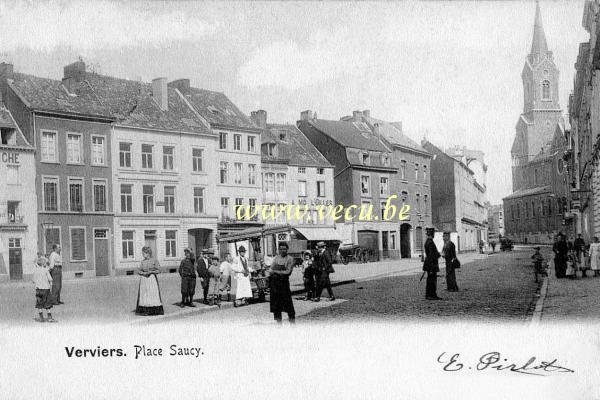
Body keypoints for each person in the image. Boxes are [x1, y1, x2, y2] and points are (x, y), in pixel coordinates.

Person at [269, 242, 296, 323]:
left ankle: (292, 324)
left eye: (284, 249)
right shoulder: (276, 258)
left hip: (284, 284)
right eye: (281, 249)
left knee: (288, 304)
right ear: (278, 250)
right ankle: (279, 324)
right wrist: (273, 272)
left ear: (287, 249)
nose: (282, 250)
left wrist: (275, 271)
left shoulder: (290, 259)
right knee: (276, 305)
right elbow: (271, 270)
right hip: (275, 285)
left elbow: (288, 272)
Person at [135, 246, 164, 316]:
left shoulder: (154, 260)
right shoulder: (143, 262)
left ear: (148, 253)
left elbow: (159, 270)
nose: (142, 255)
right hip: (144, 280)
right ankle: (145, 310)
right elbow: (139, 270)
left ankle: (154, 310)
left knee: (152, 293)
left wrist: (151, 272)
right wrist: (143, 273)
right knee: (144, 294)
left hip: (151, 279)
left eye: (143, 253)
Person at [32, 256, 57, 323]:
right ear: (43, 264)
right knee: (47, 303)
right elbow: (50, 279)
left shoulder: (35, 271)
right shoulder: (45, 270)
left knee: (39, 304)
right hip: (46, 289)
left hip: (38, 289)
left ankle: (41, 318)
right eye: (45, 263)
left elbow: (33, 280)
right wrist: (50, 284)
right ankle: (49, 317)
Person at [423, 227, 442, 300]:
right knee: (432, 280)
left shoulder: (427, 241)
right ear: (432, 234)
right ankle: (432, 295)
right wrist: (438, 255)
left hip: (429, 263)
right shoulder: (430, 242)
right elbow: (432, 255)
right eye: (433, 233)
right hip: (432, 264)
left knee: (429, 279)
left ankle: (428, 295)